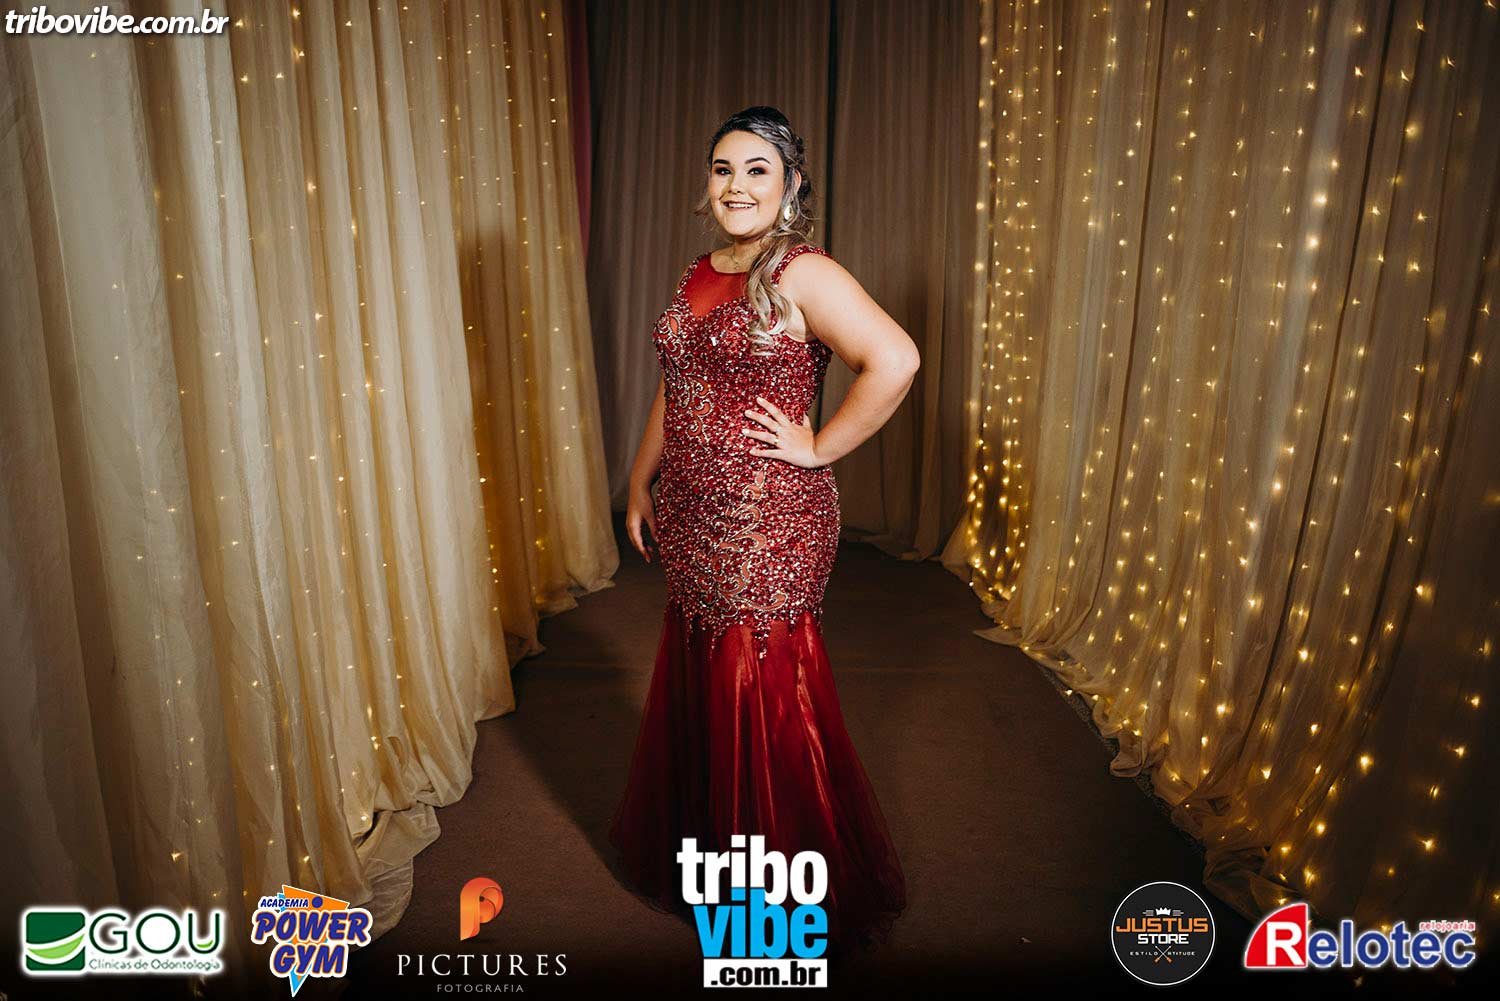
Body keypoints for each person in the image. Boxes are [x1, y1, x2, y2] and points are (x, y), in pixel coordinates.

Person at [608, 105, 920, 951]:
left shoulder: (802, 272)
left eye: (756, 170)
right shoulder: (699, 271)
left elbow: (895, 359)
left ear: (790, 185)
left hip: (767, 518)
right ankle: (716, 863)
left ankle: (775, 907)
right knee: (706, 676)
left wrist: (818, 446)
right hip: (693, 513)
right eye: (723, 169)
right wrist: (640, 477)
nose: (736, 186)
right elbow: (678, 384)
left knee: (759, 688)